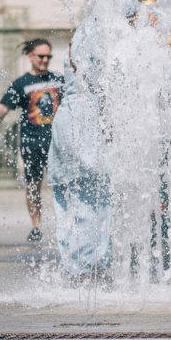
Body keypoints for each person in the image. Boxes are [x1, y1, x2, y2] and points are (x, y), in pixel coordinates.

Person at [0, 38, 63, 242]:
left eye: (48, 56)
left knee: (62, 183)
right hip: (32, 142)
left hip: (58, 143)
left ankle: (64, 224)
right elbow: (2, 109)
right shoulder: (21, 84)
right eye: (41, 56)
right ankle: (36, 226)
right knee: (34, 185)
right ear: (30, 56)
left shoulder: (59, 79)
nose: (45, 60)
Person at [47, 42, 112, 283]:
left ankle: (74, 267)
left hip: (70, 117)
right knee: (94, 194)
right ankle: (90, 268)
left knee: (69, 196)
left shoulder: (83, 34)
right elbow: (97, 81)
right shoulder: (97, 34)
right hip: (85, 121)